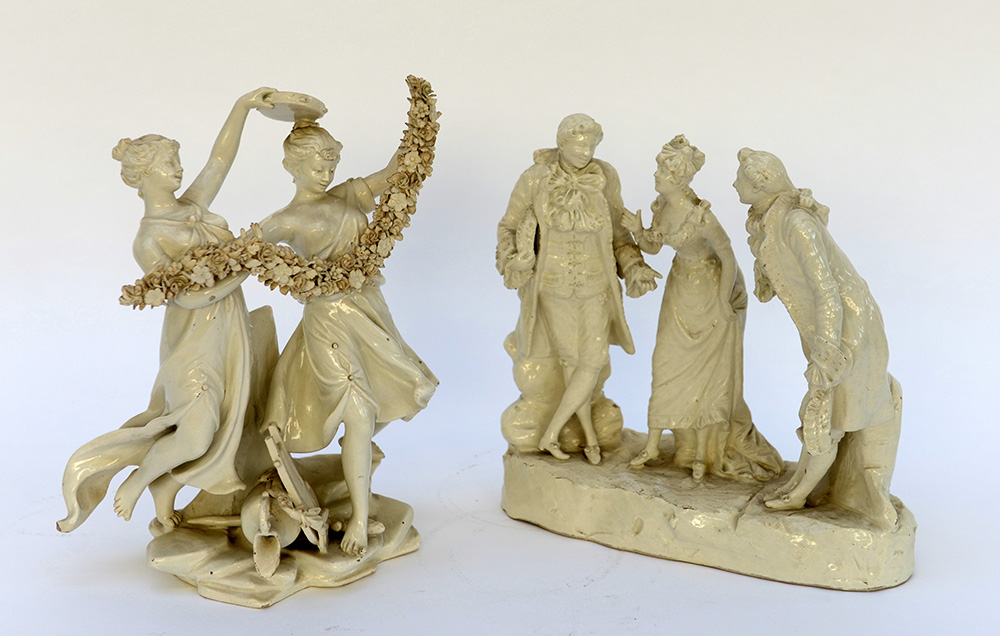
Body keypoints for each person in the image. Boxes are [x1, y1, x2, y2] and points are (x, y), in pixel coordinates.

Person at [57, 88, 275, 533]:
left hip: (228, 335)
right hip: (193, 344)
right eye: (169, 163)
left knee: (227, 425)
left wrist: (243, 107)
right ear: (145, 175)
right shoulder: (149, 240)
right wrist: (244, 266)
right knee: (197, 431)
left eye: (177, 161)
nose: (178, 168)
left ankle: (165, 492)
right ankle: (139, 480)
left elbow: (220, 161)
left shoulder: (192, 208)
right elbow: (188, 298)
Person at [258, 121, 437, 557]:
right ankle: (359, 516)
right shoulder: (285, 220)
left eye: (331, 164)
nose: (326, 174)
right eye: (317, 166)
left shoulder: (344, 197)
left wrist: (420, 132)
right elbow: (244, 253)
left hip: (367, 310)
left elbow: (393, 174)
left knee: (410, 388)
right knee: (358, 408)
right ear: (292, 166)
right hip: (327, 321)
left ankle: (355, 455)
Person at [735, 147, 903, 529]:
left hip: (849, 333)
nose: (733, 184)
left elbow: (826, 291)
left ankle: (805, 493)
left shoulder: (797, 224)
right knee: (826, 414)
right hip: (828, 330)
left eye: (740, 179)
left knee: (826, 418)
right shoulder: (773, 220)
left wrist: (826, 354)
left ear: (761, 185)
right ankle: (803, 485)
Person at [496, 114, 659, 464]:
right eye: (579, 145)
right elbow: (508, 226)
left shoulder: (605, 176)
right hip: (553, 287)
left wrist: (634, 266)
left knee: (594, 360)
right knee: (572, 363)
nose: (586, 152)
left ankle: (552, 433)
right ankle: (588, 438)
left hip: (596, 283)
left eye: (591, 146)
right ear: (561, 143)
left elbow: (619, 233)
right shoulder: (535, 178)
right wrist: (515, 260)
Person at [625, 136, 782, 481]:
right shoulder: (661, 205)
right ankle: (652, 446)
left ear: (678, 178)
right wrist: (638, 232)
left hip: (709, 291)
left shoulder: (701, 216)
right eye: (658, 169)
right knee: (665, 364)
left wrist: (725, 300)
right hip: (680, 288)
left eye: (663, 171)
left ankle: (701, 454)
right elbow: (654, 246)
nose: (656, 175)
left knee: (707, 375)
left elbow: (728, 256)